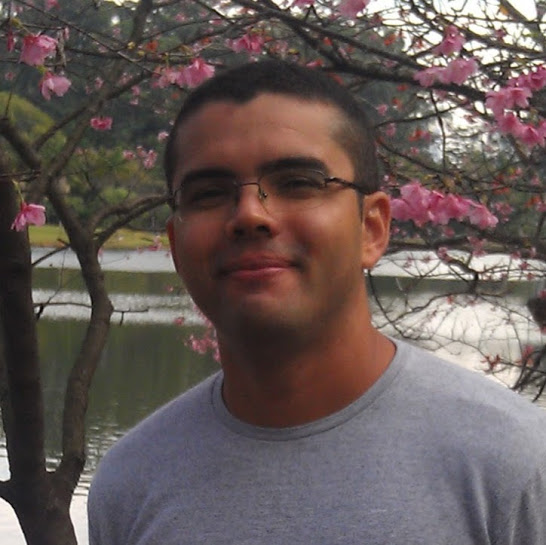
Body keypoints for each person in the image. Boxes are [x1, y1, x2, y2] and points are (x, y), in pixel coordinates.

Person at [88, 60, 546, 545]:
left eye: (298, 183)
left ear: (372, 228)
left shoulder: (515, 465)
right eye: (208, 193)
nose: (250, 215)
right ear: (177, 247)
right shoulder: (129, 485)